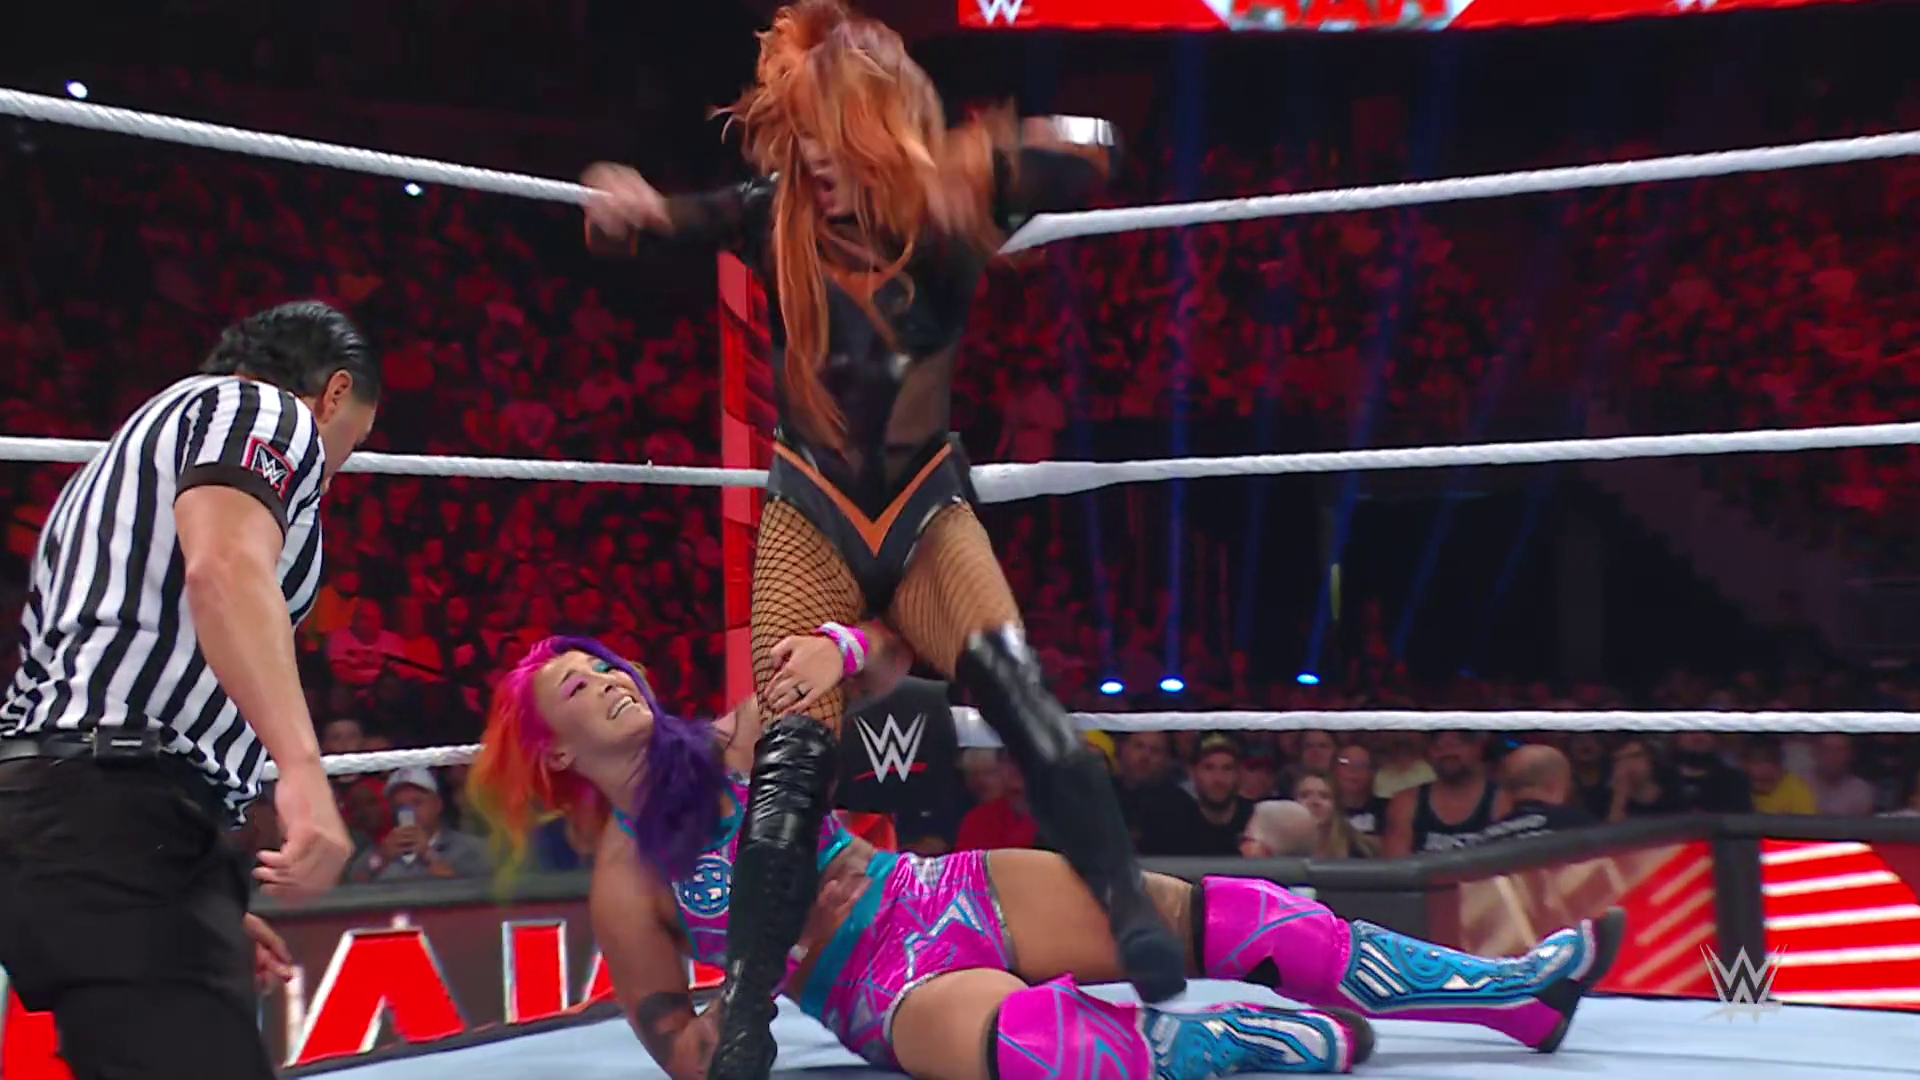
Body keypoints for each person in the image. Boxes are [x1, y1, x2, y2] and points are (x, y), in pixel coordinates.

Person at [577, 0, 1188, 1069]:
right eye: (803, 140)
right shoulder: (775, 214)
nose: (815, 163)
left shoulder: (956, 200)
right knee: (788, 761)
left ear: (880, 129)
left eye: (834, 139)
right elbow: (672, 219)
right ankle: (749, 1013)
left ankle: (1126, 905)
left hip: (922, 509)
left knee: (1019, 693)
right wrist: (628, 206)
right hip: (809, 510)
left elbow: (1101, 147)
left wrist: (984, 155)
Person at [469, 637, 1627, 1080]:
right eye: (575, 684)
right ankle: (1226, 1044)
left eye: (603, 663)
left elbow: (894, 654)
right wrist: (755, 976)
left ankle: (1506, 996)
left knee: (1221, 913)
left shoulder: (741, 735)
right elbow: (681, 1048)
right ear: (555, 751)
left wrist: (837, 646)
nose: (606, 679)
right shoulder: (627, 883)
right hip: (877, 988)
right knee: (1036, 1046)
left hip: (932, 891)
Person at [0, 301, 376, 1080]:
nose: (333, 470)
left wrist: (197, 900)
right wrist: (303, 771)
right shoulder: (263, 409)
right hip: (116, 813)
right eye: (354, 444)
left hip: (74, 818)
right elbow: (225, 570)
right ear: (335, 394)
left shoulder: (118, 469)